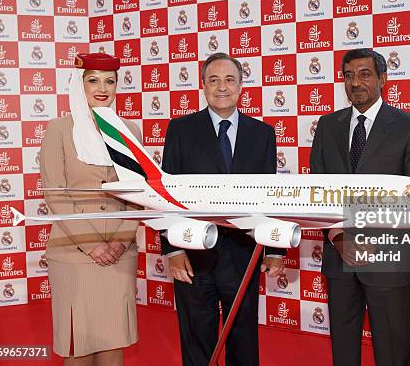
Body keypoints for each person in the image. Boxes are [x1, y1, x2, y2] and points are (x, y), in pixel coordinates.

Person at [160, 52, 286, 366]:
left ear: (241, 86)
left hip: (244, 255)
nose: (222, 87)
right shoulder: (180, 129)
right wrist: (172, 251)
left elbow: (270, 196)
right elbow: (164, 195)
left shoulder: (262, 134)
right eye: (213, 80)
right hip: (193, 255)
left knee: (243, 342)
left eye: (229, 80)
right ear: (202, 86)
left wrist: (275, 250)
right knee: (197, 342)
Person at [310, 48, 410, 366]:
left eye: (364, 74)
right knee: (344, 350)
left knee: (393, 348)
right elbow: (318, 191)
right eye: (348, 76)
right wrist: (338, 238)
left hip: (388, 257)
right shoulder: (327, 126)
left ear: (383, 79)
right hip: (339, 256)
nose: (355, 83)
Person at [40, 52, 142, 366]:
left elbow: (139, 194)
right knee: (79, 347)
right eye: (93, 80)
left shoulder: (130, 131)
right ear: (79, 84)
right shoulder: (59, 130)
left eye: (110, 81)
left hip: (119, 254)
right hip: (73, 254)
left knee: (114, 346)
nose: (103, 87)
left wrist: (120, 241)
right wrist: (91, 244)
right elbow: (55, 195)